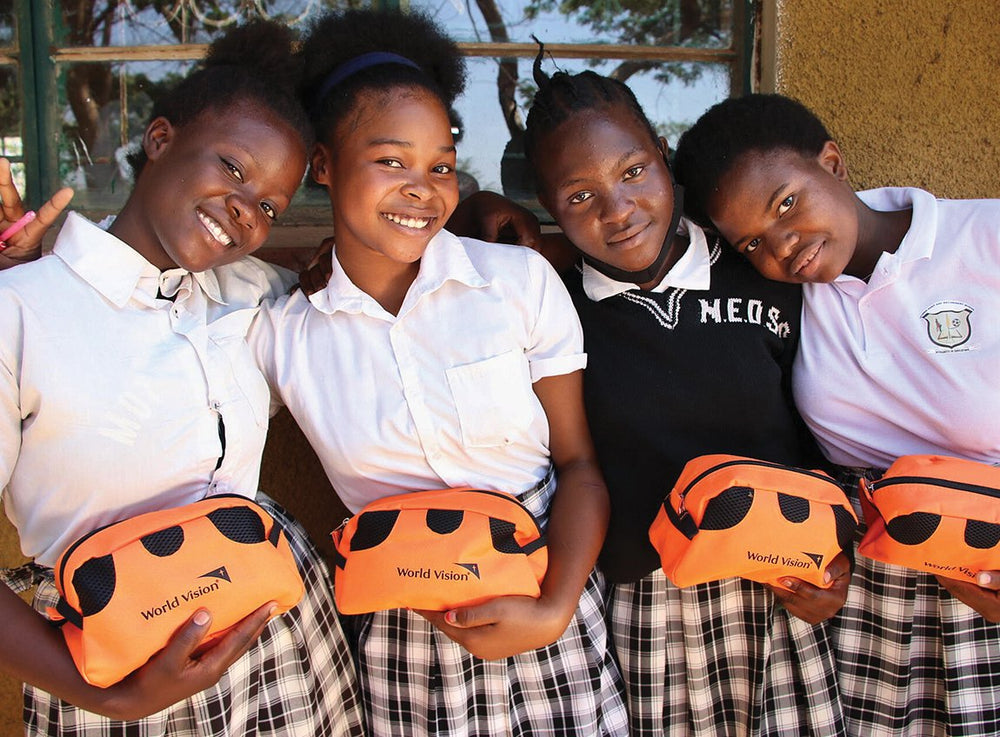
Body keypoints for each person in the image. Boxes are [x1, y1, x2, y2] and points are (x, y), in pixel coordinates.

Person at [249, 8, 629, 736]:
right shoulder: (282, 332)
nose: (421, 187)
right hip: (408, 638)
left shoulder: (516, 284)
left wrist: (553, 607)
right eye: (391, 161)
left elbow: (579, 465)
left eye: (442, 166)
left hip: (549, 596)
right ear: (323, 164)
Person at [0, 21, 365, 736]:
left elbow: (371, 290)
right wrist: (107, 695)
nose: (246, 208)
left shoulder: (252, 290)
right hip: (108, 657)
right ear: (161, 140)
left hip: (279, 633)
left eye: (269, 204)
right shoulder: (20, 308)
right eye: (233, 167)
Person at [510, 59, 852, 736]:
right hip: (647, 605)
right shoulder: (553, 310)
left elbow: (825, 424)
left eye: (633, 170)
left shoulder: (766, 269)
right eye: (578, 198)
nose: (619, 208)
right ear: (546, 210)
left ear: (663, 156)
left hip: (781, 582)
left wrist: (834, 558)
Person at [672, 91, 1000, 736]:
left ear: (833, 162)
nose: (784, 246)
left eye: (787, 202)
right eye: (752, 242)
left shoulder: (984, 237)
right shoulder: (785, 295)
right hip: (871, 610)